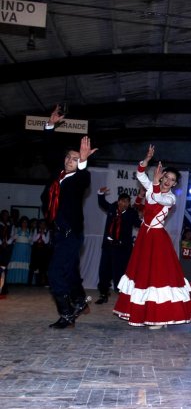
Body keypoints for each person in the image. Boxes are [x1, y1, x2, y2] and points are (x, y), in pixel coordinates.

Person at [113, 145, 191, 328]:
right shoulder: (152, 187)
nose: (168, 181)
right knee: (142, 274)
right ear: (162, 176)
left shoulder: (171, 198)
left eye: (172, 180)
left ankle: (161, 317)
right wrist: (147, 160)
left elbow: (159, 199)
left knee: (158, 276)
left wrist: (156, 184)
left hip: (158, 239)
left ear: (174, 184)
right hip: (144, 236)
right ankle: (143, 313)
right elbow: (140, 174)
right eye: (166, 177)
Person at [41, 105, 97, 329]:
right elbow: (48, 151)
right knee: (71, 270)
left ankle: (66, 313)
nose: (69, 160)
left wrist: (83, 161)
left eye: (74, 159)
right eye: (68, 157)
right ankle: (81, 300)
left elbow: (84, 178)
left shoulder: (79, 180)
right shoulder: (58, 175)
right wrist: (50, 125)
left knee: (55, 273)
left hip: (71, 234)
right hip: (58, 233)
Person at [95, 188, 142, 304]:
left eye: (127, 202)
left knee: (120, 273)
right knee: (103, 271)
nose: (124, 204)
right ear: (118, 201)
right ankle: (103, 293)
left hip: (122, 249)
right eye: (123, 201)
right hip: (108, 247)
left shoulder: (131, 213)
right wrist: (100, 193)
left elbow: (138, 223)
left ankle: (122, 295)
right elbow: (102, 203)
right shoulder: (112, 208)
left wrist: (146, 221)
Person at [6, 216, 32, 284]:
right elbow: (11, 239)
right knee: (16, 263)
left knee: (25, 265)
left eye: (26, 222)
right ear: (21, 223)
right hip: (17, 250)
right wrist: (6, 243)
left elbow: (32, 242)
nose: (24, 223)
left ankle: (24, 281)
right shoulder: (17, 229)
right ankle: (15, 280)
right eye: (23, 222)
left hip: (26, 251)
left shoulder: (30, 231)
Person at [29, 220, 51, 286]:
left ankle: (41, 282)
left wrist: (43, 234)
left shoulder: (47, 231)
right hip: (36, 251)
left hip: (43, 252)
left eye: (44, 224)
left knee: (43, 267)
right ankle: (31, 282)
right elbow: (34, 239)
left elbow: (46, 241)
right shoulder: (36, 230)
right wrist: (39, 234)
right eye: (41, 224)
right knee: (34, 267)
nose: (42, 226)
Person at [0, 210, 13, 297]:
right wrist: (1, 243)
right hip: (0, 247)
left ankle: (3, 287)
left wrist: (7, 243)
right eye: (4, 215)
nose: (6, 216)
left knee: (4, 268)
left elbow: (12, 236)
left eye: (7, 215)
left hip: (7, 248)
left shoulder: (11, 225)